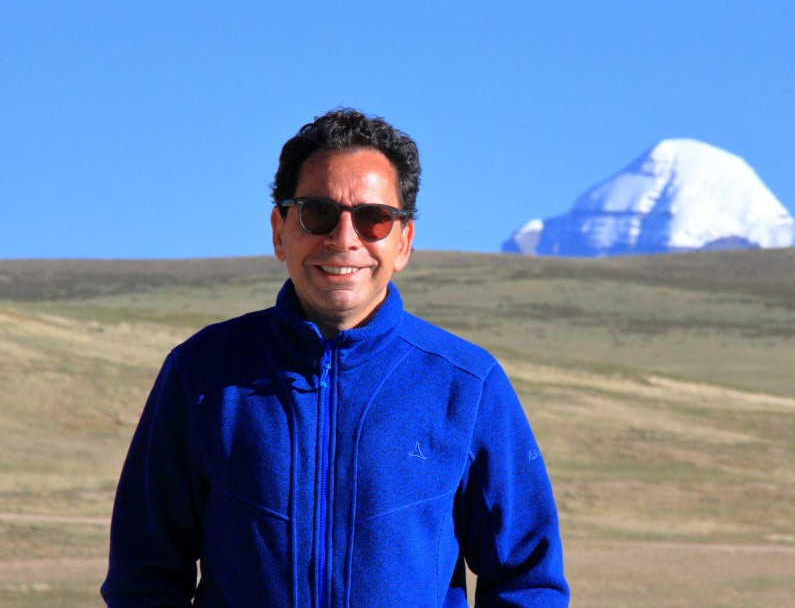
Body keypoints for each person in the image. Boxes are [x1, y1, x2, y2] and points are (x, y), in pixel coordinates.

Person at [101, 108, 569, 607]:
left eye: (373, 218)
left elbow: (528, 582)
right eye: (319, 213)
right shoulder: (202, 374)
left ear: (404, 242)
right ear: (280, 230)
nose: (344, 238)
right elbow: (143, 576)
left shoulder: (467, 385)